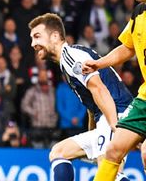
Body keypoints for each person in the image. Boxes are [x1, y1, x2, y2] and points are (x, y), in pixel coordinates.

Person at [30, 13, 132, 181]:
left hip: (115, 114)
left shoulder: (71, 57)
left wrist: (115, 127)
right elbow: (93, 101)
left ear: (55, 36)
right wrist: (94, 132)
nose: (33, 44)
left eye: (37, 37)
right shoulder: (68, 60)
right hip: (109, 116)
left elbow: (99, 89)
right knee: (59, 152)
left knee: (109, 175)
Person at [84, 0, 146, 181]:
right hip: (144, 98)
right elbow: (127, 47)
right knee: (113, 150)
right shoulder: (139, 12)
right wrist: (98, 64)